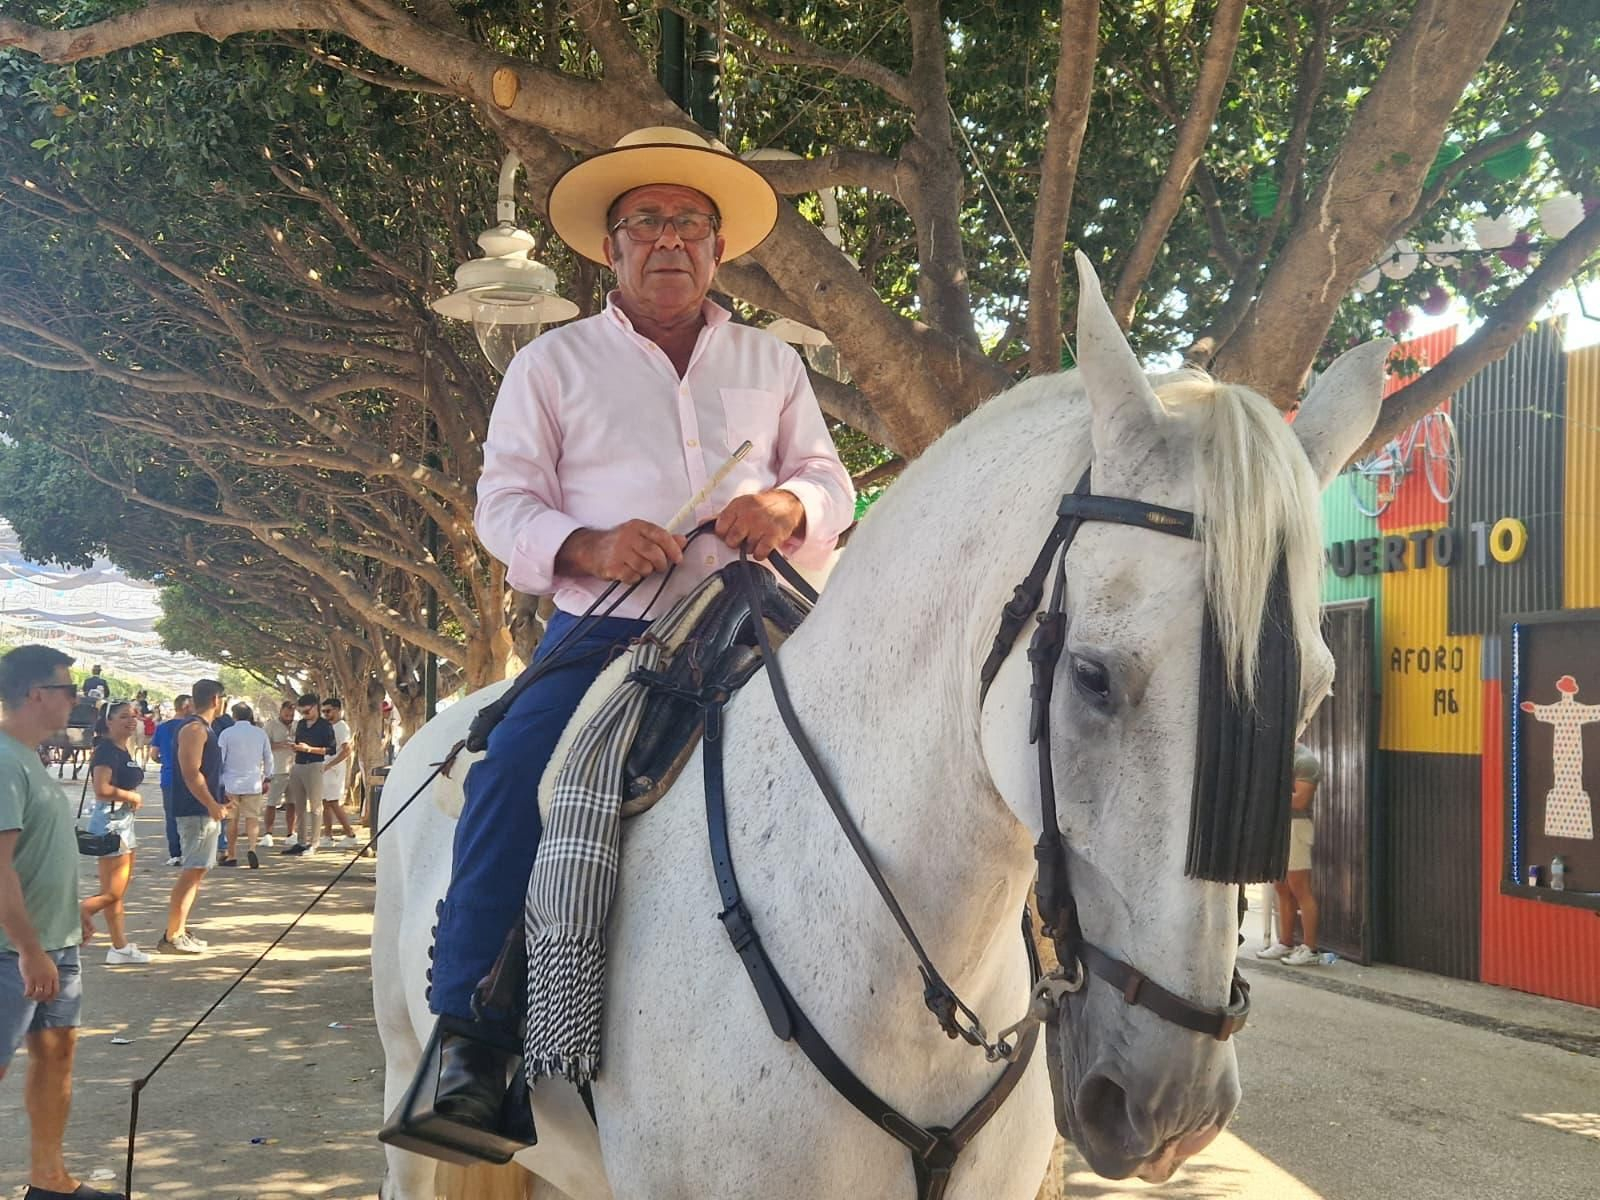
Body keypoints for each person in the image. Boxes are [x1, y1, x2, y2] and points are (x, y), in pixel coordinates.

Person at [419, 125, 854, 1133]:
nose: (670, 238)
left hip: (757, 626)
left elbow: (829, 479)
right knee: (514, 770)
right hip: (609, 637)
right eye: (646, 221)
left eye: (691, 222)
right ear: (609, 249)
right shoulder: (552, 365)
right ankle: (471, 1041)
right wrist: (590, 544)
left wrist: (787, 508)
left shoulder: (769, 364)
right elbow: (504, 508)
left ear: (717, 248)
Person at [0, 645, 128, 1200]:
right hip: (14, 950)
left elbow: (36, 855)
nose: (79, 700)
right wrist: (28, 947)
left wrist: (67, 912)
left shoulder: (28, 757)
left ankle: (50, 1180)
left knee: (56, 1054)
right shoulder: (4, 760)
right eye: (69, 690)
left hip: (55, 941)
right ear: (36, 694)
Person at [158, 679, 229, 955]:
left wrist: (219, 798)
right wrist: (211, 803)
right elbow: (191, 771)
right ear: (215, 699)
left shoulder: (204, 728)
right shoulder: (195, 729)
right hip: (195, 811)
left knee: (197, 872)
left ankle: (180, 929)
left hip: (204, 808)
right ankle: (172, 934)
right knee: (191, 873)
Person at [78, 701, 150, 965]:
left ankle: (119, 946)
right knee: (113, 892)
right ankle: (78, 911)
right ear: (108, 721)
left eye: (133, 716)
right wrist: (131, 795)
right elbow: (101, 788)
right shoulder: (106, 750)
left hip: (123, 819)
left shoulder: (122, 749)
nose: (131, 721)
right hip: (111, 820)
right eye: (123, 717)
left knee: (115, 890)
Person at [1257, 742, 1323, 966]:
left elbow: (1300, 800)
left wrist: (1266, 794)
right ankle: (1285, 942)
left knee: (1300, 888)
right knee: (1281, 886)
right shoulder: (1278, 757)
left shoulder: (1305, 761)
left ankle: (1310, 949)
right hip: (1279, 825)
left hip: (1296, 826)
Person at [218, 703, 273, 869]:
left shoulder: (226, 734)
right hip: (253, 782)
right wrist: (267, 778)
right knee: (252, 818)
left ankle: (232, 854)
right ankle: (252, 847)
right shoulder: (260, 733)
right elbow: (268, 757)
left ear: (234, 716)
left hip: (231, 783)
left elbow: (220, 759)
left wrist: (219, 781)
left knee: (232, 820)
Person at [281, 694, 336, 857]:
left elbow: (330, 749)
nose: (304, 715)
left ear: (315, 707)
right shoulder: (301, 725)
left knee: (315, 806)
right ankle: (301, 841)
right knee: (299, 806)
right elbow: (299, 743)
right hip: (298, 765)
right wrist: (296, 747)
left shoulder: (325, 726)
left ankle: (314, 843)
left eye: (307, 711)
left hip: (315, 765)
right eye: (302, 712)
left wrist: (309, 749)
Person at [150, 695, 193, 865]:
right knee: (191, 816)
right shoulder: (194, 728)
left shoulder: (162, 728)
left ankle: (175, 854)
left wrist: (165, 761)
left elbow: (154, 754)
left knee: (171, 817)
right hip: (190, 778)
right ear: (185, 707)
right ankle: (191, 852)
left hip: (169, 777)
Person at [317, 697, 358, 849]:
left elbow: (347, 750)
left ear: (338, 710)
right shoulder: (329, 727)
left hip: (333, 771)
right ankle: (327, 835)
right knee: (326, 803)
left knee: (333, 802)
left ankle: (350, 834)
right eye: (324, 712)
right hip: (326, 768)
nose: (326, 714)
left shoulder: (341, 727)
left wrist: (330, 765)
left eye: (328, 711)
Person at [260, 699, 297, 848]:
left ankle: (291, 833)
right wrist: (280, 745)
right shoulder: (271, 725)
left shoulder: (297, 726)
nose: (289, 716)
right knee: (271, 804)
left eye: (292, 713)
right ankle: (268, 834)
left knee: (292, 803)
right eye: (287, 713)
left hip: (294, 770)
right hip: (277, 770)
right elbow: (264, 745)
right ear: (281, 711)